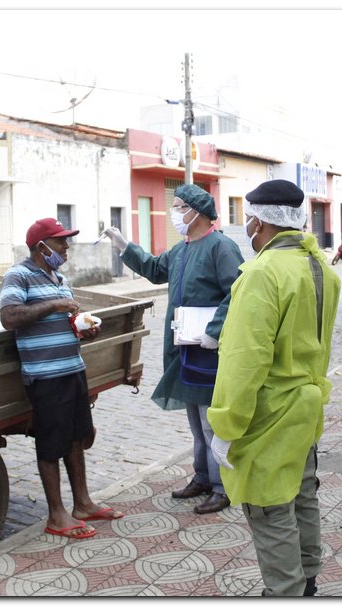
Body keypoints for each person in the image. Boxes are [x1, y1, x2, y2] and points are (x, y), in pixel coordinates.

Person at [206, 180, 341, 597]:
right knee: (303, 495)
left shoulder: (263, 273)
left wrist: (226, 426)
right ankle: (308, 577)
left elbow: (244, 359)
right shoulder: (321, 267)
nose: (246, 226)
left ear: (259, 221)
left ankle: (284, 591)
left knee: (269, 507)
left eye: (247, 218)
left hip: (271, 415)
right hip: (307, 406)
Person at [103, 184, 244, 514]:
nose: (175, 212)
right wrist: (125, 246)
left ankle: (224, 487)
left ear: (196, 211)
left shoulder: (221, 247)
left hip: (211, 348)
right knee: (195, 420)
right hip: (185, 347)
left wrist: (215, 331)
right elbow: (155, 270)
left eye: (179, 206)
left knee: (213, 423)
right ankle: (203, 477)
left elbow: (236, 292)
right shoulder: (182, 249)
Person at [0, 218, 124, 539]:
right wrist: (55, 303)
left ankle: (82, 503)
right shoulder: (19, 275)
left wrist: (83, 330)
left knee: (75, 438)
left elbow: (61, 323)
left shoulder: (60, 278)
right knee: (51, 443)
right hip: (45, 376)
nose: (66, 248)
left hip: (72, 369)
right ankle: (57, 515)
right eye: (61, 242)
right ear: (42, 247)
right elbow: (9, 316)